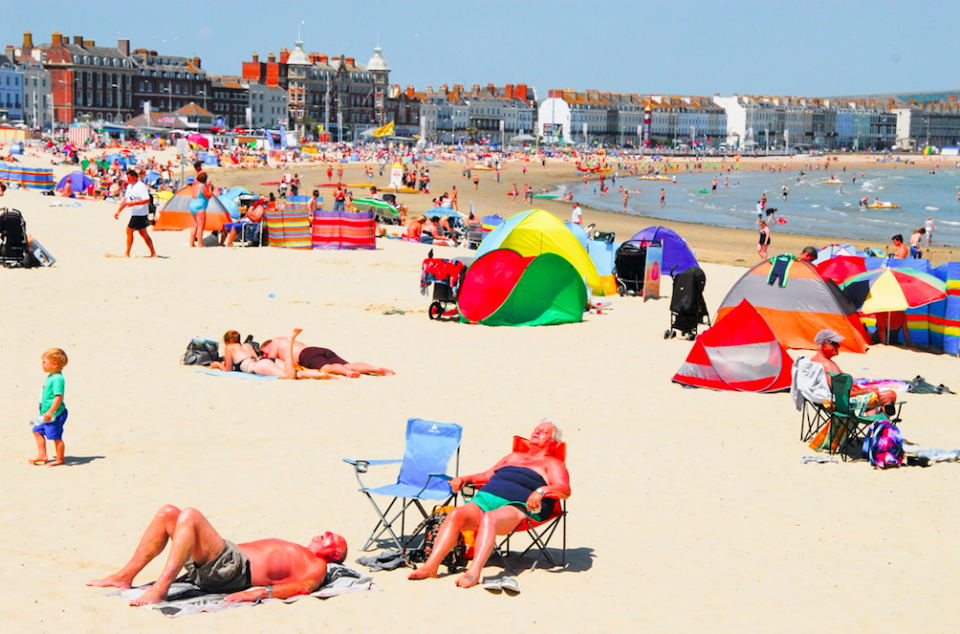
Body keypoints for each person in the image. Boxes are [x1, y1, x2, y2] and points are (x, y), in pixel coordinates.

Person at [408, 420, 570, 588]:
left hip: (519, 505)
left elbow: (564, 489)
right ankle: (430, 567)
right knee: (455, 514)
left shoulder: (552, 463)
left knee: (489, 518)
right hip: (486, 499)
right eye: (536, 429)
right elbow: (486, 476)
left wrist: (541, 491)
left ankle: (473, 572)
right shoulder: (513, 457)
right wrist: (466, 479)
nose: (536, 432)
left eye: (543, 432)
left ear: (553, 444)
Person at [86, 504, 347, 606]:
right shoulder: (298, 550)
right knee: (167, 513)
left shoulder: (317, 564)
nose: (325, 532)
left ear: (334, 554)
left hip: (233, 571)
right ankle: (123, 576)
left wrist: (260, 593)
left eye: (331, 537)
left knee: (190, 515)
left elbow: (305, 586)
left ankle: (161, 588)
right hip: (223, 561)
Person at [809, 329, 897, 417]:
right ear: (824, 345)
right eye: (835, 343)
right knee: (890, 395)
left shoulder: (813, 361)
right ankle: (880, 427)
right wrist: (865, 391)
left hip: (826, 402)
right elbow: (842, 394)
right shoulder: (827, 365)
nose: (838, 346)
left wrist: (856, 387)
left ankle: (874, 426)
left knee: (873, 396)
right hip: (842, 405)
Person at [210, 329, 336, 380]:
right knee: (298, 374)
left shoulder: (230, 347)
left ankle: (290, 341)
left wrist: (218, 365)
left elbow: (227, 370)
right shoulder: (247, 345)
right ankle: (327, 376)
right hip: (267, 362)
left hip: (258, 367)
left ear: (227, 342)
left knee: (289, 376)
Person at [259, 332, 394, 378]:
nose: (264, 354)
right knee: (349, 364)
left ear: (267, 345)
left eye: (263, 351)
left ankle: (347, 372)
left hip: (305, 355)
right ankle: (374, 369)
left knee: (327, 368)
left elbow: (270, 359)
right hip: (316, 349)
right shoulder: (287, 342)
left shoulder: (276, 342)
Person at [29, 348, 69, 466]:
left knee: (55, 436)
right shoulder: (51, 376)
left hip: (54, 414)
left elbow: (58, 397)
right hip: (44, 413)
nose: (42, 364)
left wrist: (51, 411)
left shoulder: (58, 379)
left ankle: (60, 459)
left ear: (54, 364)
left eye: (44, 362)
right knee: (36, 430)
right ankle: (42, 454)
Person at [114, 170, 157, 258]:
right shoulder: (130, 186)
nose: (127, 180)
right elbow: (126, 200)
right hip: (134, 213)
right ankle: (153, 253)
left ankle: (127, 253)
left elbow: (146, 199)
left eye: (129, 178)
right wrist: (119, 211)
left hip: (140, 213)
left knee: (129, 230)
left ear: (134, 177)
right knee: (143, 233)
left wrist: (133, 204)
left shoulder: (140, 186)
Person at [188, 171, 213, 248]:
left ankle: (192, 243)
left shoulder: (194, 184)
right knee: (200, 227)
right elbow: (208, 195)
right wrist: (210, 188)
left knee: (194, 226)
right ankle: (200, 244)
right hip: (200, 206)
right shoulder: (203, 186)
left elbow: (197, 178)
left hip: (192, 205)